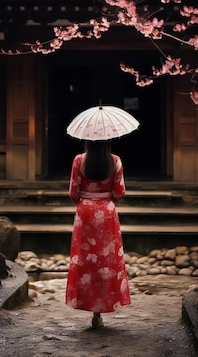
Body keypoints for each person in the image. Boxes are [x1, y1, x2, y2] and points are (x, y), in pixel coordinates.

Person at [65, 140, 131, 328]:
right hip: (107, 213)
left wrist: (88, 196)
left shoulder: (79, 160)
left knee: (86, 261)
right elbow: (119, 193)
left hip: (85, 212)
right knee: (106, 261)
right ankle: (101, 309)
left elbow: (73, 193)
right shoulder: (115, 161)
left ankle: (91, 308)